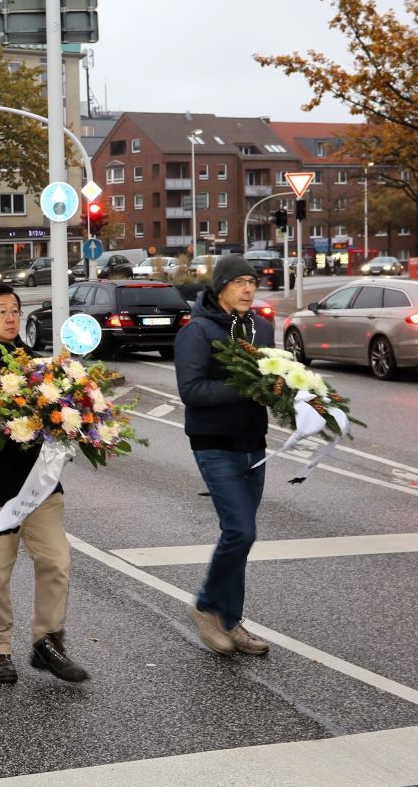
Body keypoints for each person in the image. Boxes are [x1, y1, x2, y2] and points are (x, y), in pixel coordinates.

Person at [0, 282, 89, 684]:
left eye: (15, 310)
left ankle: (47, 642)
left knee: (57, 562)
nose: (11, 317)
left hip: (40, 489)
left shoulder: (33, 364)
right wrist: (3, 427)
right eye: (2, 311)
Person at [174, 255, 273, 657]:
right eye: (240, 282)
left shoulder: (261, 327)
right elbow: (192, 390)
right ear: (220, 288)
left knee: (241, 537)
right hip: (214, 444)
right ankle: (205, 605)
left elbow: (273, 374)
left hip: (255, 444)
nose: (248, 289)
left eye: (252, 282)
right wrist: (246, 387)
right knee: (240, 531)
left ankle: (231, 622)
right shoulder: (197, 331)